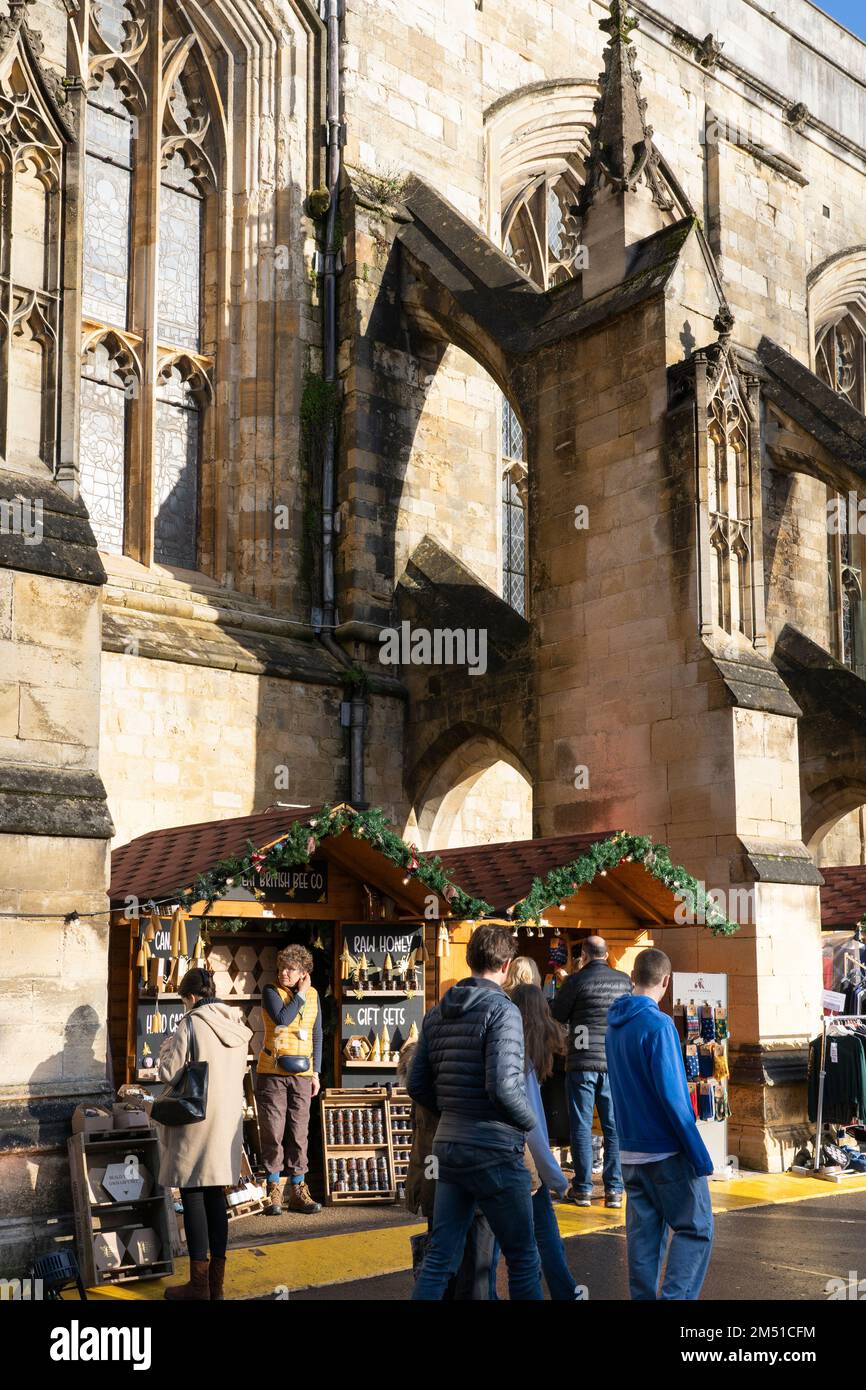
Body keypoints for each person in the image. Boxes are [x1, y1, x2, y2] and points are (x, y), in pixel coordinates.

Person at [408, 923, 543, 1300]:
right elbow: (503, 1086)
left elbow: (417, 1086)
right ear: (507, 964)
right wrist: (529, 1125)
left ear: (469, 959)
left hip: (449, 1146)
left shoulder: (436, 1014)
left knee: (439, 1259)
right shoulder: (504, 1012)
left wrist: (452, 1109)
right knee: (522, 1257)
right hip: (496, 1148)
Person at [606, 947, 714, 1301]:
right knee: (695, 1229)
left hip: (630, 1150)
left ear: (633, 976)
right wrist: (699, 1155)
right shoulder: (660, 1024)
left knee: (643, 1240)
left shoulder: (613, 1026)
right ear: (666, 981)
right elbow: (673, 1096)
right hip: (665, 1151)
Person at [156, 967, 251, 1301]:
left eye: (184, 1000)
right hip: (226, 1122)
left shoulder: (191, 1023)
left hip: (195, 1120)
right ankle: (216, 1286)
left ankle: (198, 1286)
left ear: (191, 997)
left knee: (193, 1193)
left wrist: (167, 1047)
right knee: (216, 1198)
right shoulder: (239, 1026)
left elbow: (169, 1072)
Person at [398, 1042, 495, 1299]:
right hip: (476, 1179)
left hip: (435, 1184)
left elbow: (419, 1141)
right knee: (477, 1270)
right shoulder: (475, 1071)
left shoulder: (420, 1079)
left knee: (441, 1266)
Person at [508, 984, 581, 1300]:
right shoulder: (523, 1059)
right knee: (537, 1239)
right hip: (519, 1163)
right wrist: (556, 1178)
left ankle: (567, 1291)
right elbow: (533, 1128)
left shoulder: (508, 1049)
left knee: (535, 1232)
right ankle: (566, 1292)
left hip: (502, 1159)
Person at [551, 935, 631, 1208]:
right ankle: (614, 1190)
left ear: (583, 955)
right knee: (613, 1127)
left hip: (582, 1062)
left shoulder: (575, 981)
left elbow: (558, 1015)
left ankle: (583, 1188)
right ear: (607, 955)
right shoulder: (623, 981)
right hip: (613, 1063)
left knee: (581, 1126)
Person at [256, 944, 323, 1215]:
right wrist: (302, 994)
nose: (283, 972)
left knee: (299, 1132)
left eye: (290, 968)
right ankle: (273, 1188)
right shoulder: (271, 992)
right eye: (281, 967)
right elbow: (283, 1019)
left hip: (304, 1074)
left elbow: (317, 1034)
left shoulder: (315, 996)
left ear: (303, 972)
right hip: (273, 1072)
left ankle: (298, 1188)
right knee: (273, 1130)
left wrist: (316, 1072)